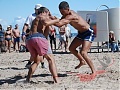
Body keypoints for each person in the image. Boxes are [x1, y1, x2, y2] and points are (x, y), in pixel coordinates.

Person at [54, 1, 96, 75]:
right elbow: (60, 21)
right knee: (71, 48)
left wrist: (48, 20)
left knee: (83, 52)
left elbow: (59, 24)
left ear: (68, 9)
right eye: (60, 12)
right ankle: (82, 61)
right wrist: (52, 17)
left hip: (88, 32)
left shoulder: (71, 16)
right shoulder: (66, 15)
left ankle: (94, 71)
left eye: (63, 12)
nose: (62, 14)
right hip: (81, 33)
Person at [25, 7, 59, 83]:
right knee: (51, 59)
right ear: (44, 12)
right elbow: (46, 23)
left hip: (30, 40)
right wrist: (57, 20)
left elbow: (47, 29)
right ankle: (56, 80)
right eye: (48, 13)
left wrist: (52, 19)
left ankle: (27, 80)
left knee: (36, 61)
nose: (48, 15)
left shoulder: (36, 19)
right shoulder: (42, 16)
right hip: (39, 38)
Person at [22, 4, 45, 68]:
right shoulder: (31, 16)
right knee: (36, 52)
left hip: (41, 36)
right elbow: (26, 25)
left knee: (40, 51)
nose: (39, 10)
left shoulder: (43, 16)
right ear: (35, 9)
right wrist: (23, 33)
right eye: (37, 9)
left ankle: (40, 63)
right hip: (33, 36)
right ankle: (38, 63)